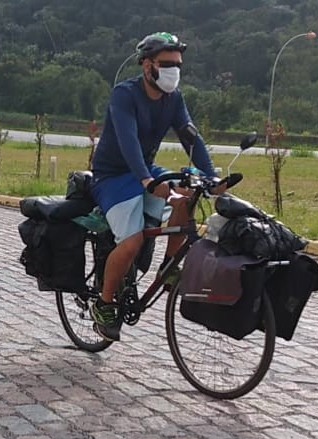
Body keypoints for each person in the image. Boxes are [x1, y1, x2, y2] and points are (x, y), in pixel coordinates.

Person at [89, 31, 226, 342]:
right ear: (147, 65)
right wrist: (147, 181)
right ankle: (104, 302)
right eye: (166, 64)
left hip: (146, 170)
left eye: (177, 64)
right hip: (113, 175)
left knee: (187, 194)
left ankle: (169, 267)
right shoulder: (125, 95)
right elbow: (127, 142)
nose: (173, 71)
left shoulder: (173, 99)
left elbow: (191, 138)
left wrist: (212, 177)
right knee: (133, 240)